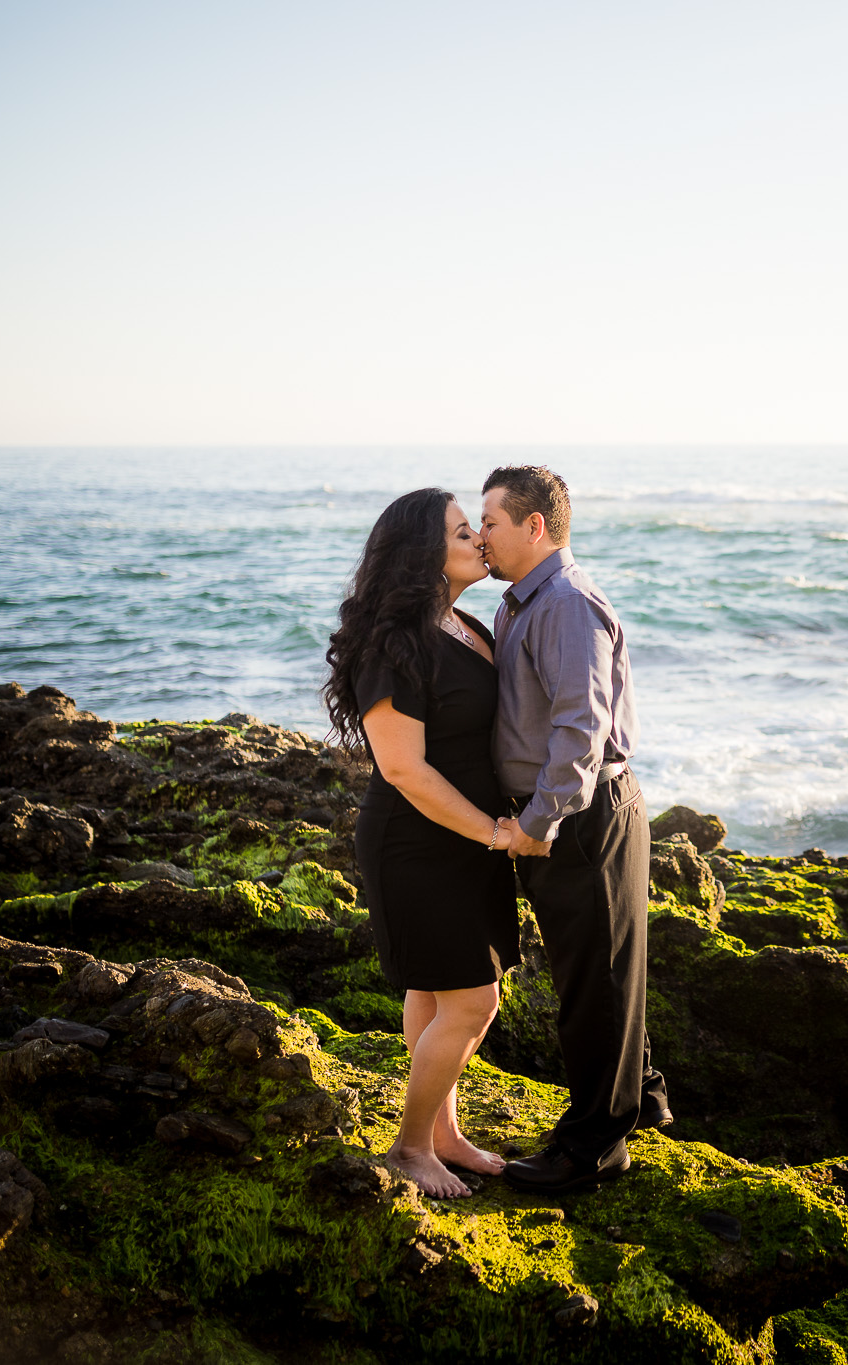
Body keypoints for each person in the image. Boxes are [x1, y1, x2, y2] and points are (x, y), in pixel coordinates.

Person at [321, 488, 522, 1199]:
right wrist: (493, 830)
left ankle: (443, 1132)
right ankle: (409, 1146)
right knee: (474, 1000)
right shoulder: (394, 641)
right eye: (465, 530)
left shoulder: (467, 623)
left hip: (464, 834)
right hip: (417, 839)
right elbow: (402, 767)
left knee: (435, 992)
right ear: (421, 553)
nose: (480, 539)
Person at [477, 464, 669, 1195]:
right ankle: (643, 1098)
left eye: (491, 521)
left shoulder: (563, 603)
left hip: (580, 815)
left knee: (593, 975)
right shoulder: (521, 603)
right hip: (571, 812)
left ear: (533, 526)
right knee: (601, 964)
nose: (481, 535)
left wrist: (537, 821)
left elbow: (580, 727)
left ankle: (594, 1144)